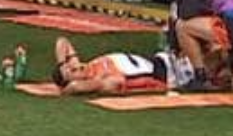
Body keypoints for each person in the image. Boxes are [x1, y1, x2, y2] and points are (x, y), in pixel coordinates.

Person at [50, 36, 191, 95]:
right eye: (73, 71)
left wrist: (63, 65)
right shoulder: (103, 81)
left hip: (161, 58)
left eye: (72, 65)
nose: (77, 67)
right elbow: (75, 87)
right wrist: (66, 89)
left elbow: (62, 41)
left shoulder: (88, 67)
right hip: (170, 73)